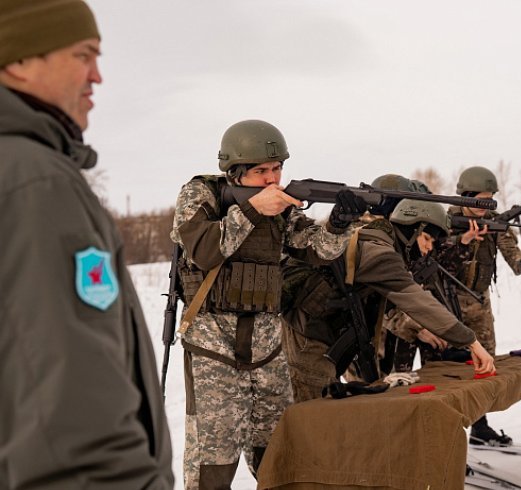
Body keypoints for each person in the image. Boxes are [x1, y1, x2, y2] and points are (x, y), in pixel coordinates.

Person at [0, 1, 174, 487]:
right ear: (17, 59)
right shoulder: (35, 182)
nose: (97, 76)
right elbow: (75, 423)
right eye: (83, 55)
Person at [171, 119, 363, 489]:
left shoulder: (283, 209)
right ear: (234, 172)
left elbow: (317, 250)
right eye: (261, 171)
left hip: (267, 346)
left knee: (278, 451)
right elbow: (203, 249)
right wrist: (254, 210)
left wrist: (339, 224)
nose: (272, 179)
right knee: (213, 459)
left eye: (277, 169)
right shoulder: (200, 195)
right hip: (215, 346)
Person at [282, 197, 496, 403]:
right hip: (308, 335)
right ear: (414, 230)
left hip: (319, 332)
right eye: (427, 238)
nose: (429, 248)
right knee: (313, 414)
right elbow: (416, 300)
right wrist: (470, 341)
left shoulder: (380, 243)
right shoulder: (380, 253)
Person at [442, 166, 521, 446]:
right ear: (466, 197)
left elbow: (510, 252)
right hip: (447, 304)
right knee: (448, 371)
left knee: (485, 366)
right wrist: (462, 241)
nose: (486, 207)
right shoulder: (444, 220)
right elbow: (434, 257)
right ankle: (450, 437)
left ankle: (480, 425)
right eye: (481, 201)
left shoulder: (494, 222)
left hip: (480, 304)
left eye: (490, 200)